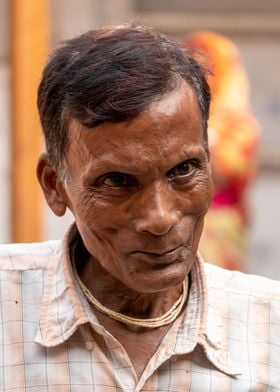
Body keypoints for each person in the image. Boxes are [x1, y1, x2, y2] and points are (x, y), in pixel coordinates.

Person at [0, 24, 279, 391]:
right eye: (117, 181)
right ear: (55, 186)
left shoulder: (270, 328)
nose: (160, 218)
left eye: (183, 170)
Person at [184, 32, 260, 271]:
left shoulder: (237, 122)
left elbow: (227, 173)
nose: (202, 74)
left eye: (208, 64)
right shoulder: (180, 111)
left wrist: (206, 137)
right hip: (178, 218)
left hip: (219, 223)